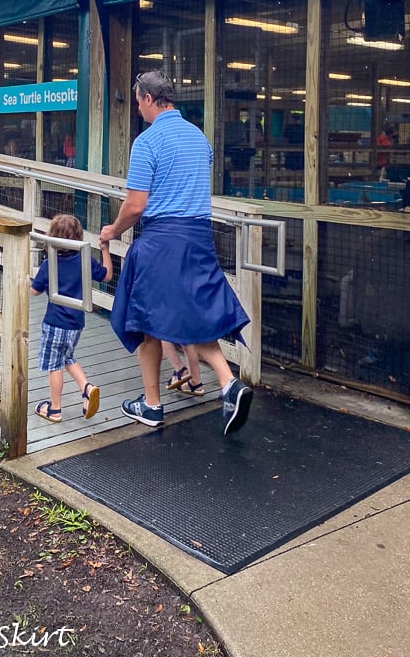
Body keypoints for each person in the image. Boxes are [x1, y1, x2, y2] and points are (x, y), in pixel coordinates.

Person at [99, 69, 253, 435]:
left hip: (161, 241)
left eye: (138, 103)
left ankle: (152, 405)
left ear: (149, 99)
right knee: (194, 313)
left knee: (146, 323)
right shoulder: (200, 139)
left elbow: (136, 206)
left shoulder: (147, 142)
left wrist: (113, 230)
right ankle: (229, 383)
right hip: (199, 237)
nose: (138, 110)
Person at [31, 214, 113, 423]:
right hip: (76, 323)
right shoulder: (84, 259)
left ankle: (55, 409)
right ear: (78, 236)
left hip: (54, 323)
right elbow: (106, 276)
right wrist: (105, 250)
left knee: (54, 365)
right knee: (67, 356)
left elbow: (34, 291)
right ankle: (87, 388)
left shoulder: (50, 263)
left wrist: (24, 279)